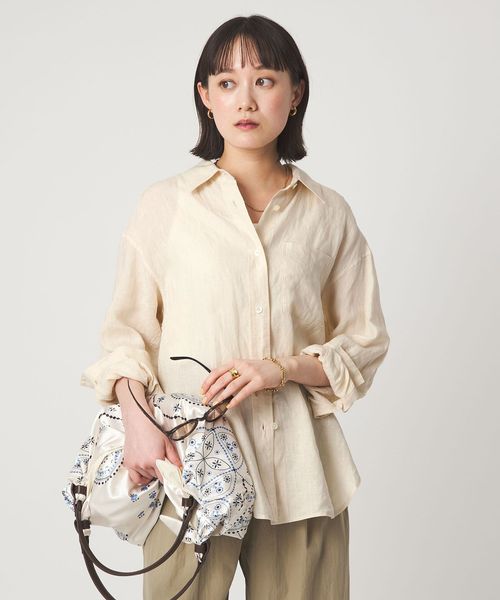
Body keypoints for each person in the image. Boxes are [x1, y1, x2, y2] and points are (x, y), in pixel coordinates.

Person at [80, 14, 390, 600]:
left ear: (295, 93)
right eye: (226, 83)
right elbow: (126, 338)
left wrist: (280, 369)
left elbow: (363, 342)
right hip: (186, 461)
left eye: (264, 80)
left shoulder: (328, 214)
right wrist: (140, 427)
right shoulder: (165, 206)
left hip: (300, 471)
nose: (245, 100)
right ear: (206, 97)